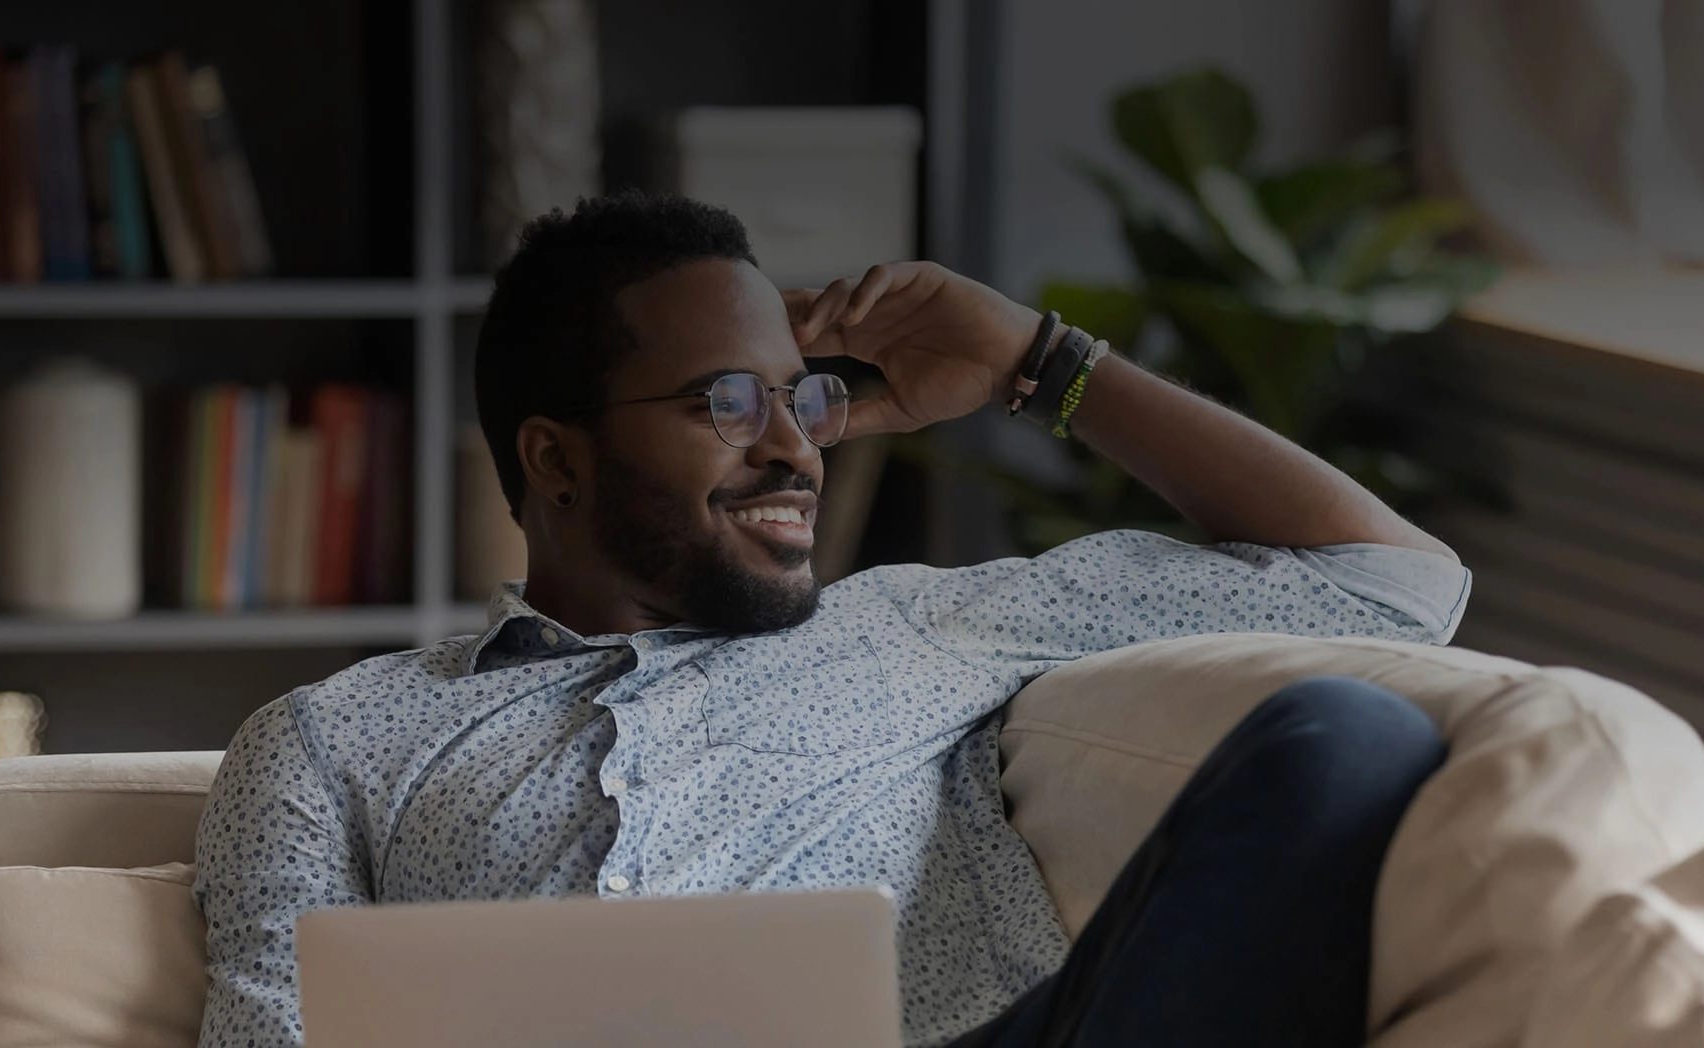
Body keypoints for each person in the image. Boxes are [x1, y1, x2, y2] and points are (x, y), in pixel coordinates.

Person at [193, 193, 1471, 1048]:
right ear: (555, 457)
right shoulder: (331, 739)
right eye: (728, 403)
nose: (796, 450)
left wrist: (1038, 363)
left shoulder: (923, 625)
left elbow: (1392, 586)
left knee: (1347, 740)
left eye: (803, 400)